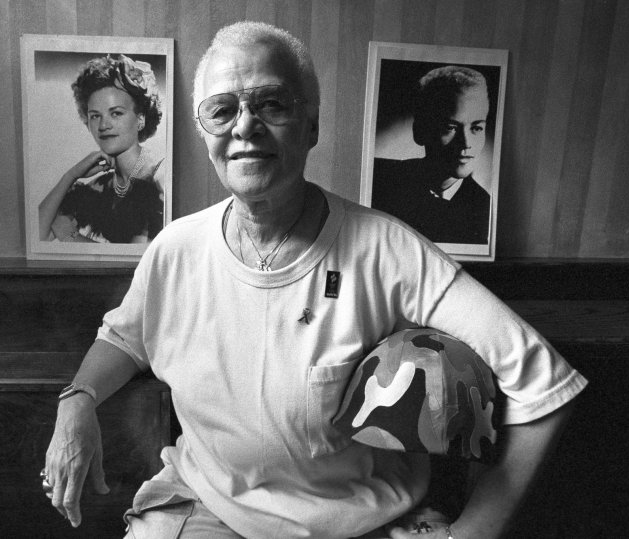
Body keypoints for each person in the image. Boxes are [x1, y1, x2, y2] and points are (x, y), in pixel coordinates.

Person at [40, 22, 587, 539]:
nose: (245, 126)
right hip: (208, 506)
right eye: (222, 110)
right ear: (204, 131)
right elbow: (124, 337)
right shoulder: (175, 249)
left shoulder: (390, 250)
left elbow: (544, 382)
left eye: (272, 104)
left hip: (359, 523)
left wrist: (473, 533)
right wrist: (77, 401)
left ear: (312, 125)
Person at [38, 54, 165, 244]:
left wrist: (69, 235)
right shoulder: (98, 186)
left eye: (116, 113)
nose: (103, 125)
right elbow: (36, 236)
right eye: (95, 116)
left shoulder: (160, 177)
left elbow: (138, 257)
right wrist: (71, 175)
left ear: (140, 119)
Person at [372, 66, 492, 245]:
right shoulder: (379, 178)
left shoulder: (484, 211)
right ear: (420, 131)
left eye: (476, 128)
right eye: (450, 127)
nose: (466, 143)